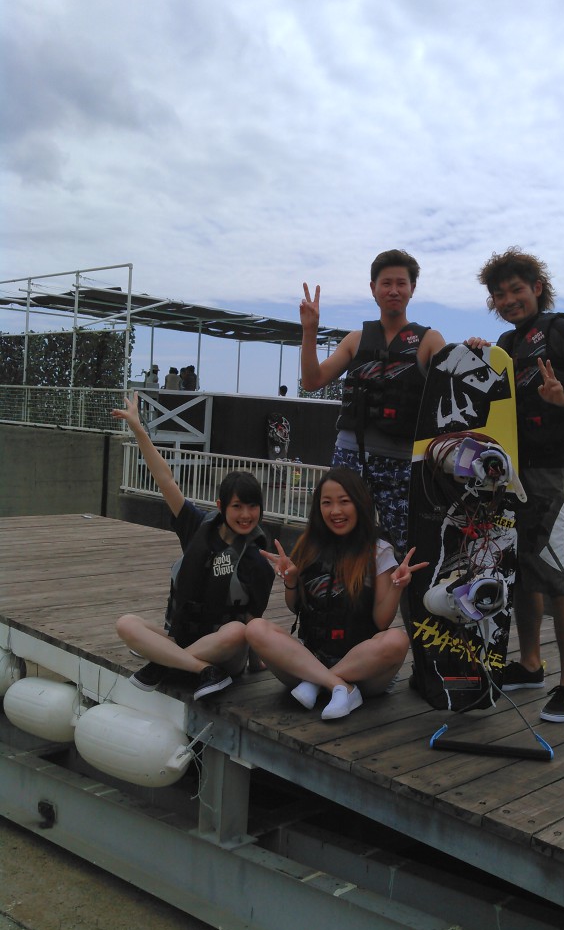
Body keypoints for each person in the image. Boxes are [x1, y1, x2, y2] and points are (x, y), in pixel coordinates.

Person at [471, 247, 564, 723]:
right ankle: (531, 663)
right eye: (499, 295)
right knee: (522, 572)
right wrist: (477, 355)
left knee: (559, 577)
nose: (508, 300)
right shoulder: (505, 343)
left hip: (551, 474)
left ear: (537, 288)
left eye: (516, 289)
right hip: (512, 473)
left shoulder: (560, 330)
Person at [112, 392, 274, 700]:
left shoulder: (257, 562)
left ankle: (164, 662)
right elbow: (166, 480)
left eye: (253, 507)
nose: (246, 515)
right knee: (127, 624)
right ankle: (197, 669)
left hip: (224, 653)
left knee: (237, 631)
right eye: (237, 506)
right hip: (182, 639)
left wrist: (257, 663)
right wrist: (138, 429)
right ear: (221, 507)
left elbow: (254, 621)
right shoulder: (197, 527)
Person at [245, 466, 425, 720]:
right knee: (255, 628)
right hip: (312, 659)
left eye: (344, 501)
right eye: (327, 502)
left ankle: (321, 683)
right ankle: (337, 686)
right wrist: (292, 580)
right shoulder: (309, 544)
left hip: (362, 672)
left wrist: (397, 587)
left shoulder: (378, 549)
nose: (335, 511)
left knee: (397, 640)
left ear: (360, 504)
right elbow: (295, 607)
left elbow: (382, 622)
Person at [299, 249, 445, 558]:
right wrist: (309, 331)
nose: (394, 290)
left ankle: (401, 591)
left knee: (407, 547)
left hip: (403, 461)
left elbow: (454, 387)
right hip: (351, 457)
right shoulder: (355, 340)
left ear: (412, 288)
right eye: (386, 283)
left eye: (401, 283)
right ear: (373, 289)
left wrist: (475, 350)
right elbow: (312, 381)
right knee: (340, 542)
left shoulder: (430, 341)